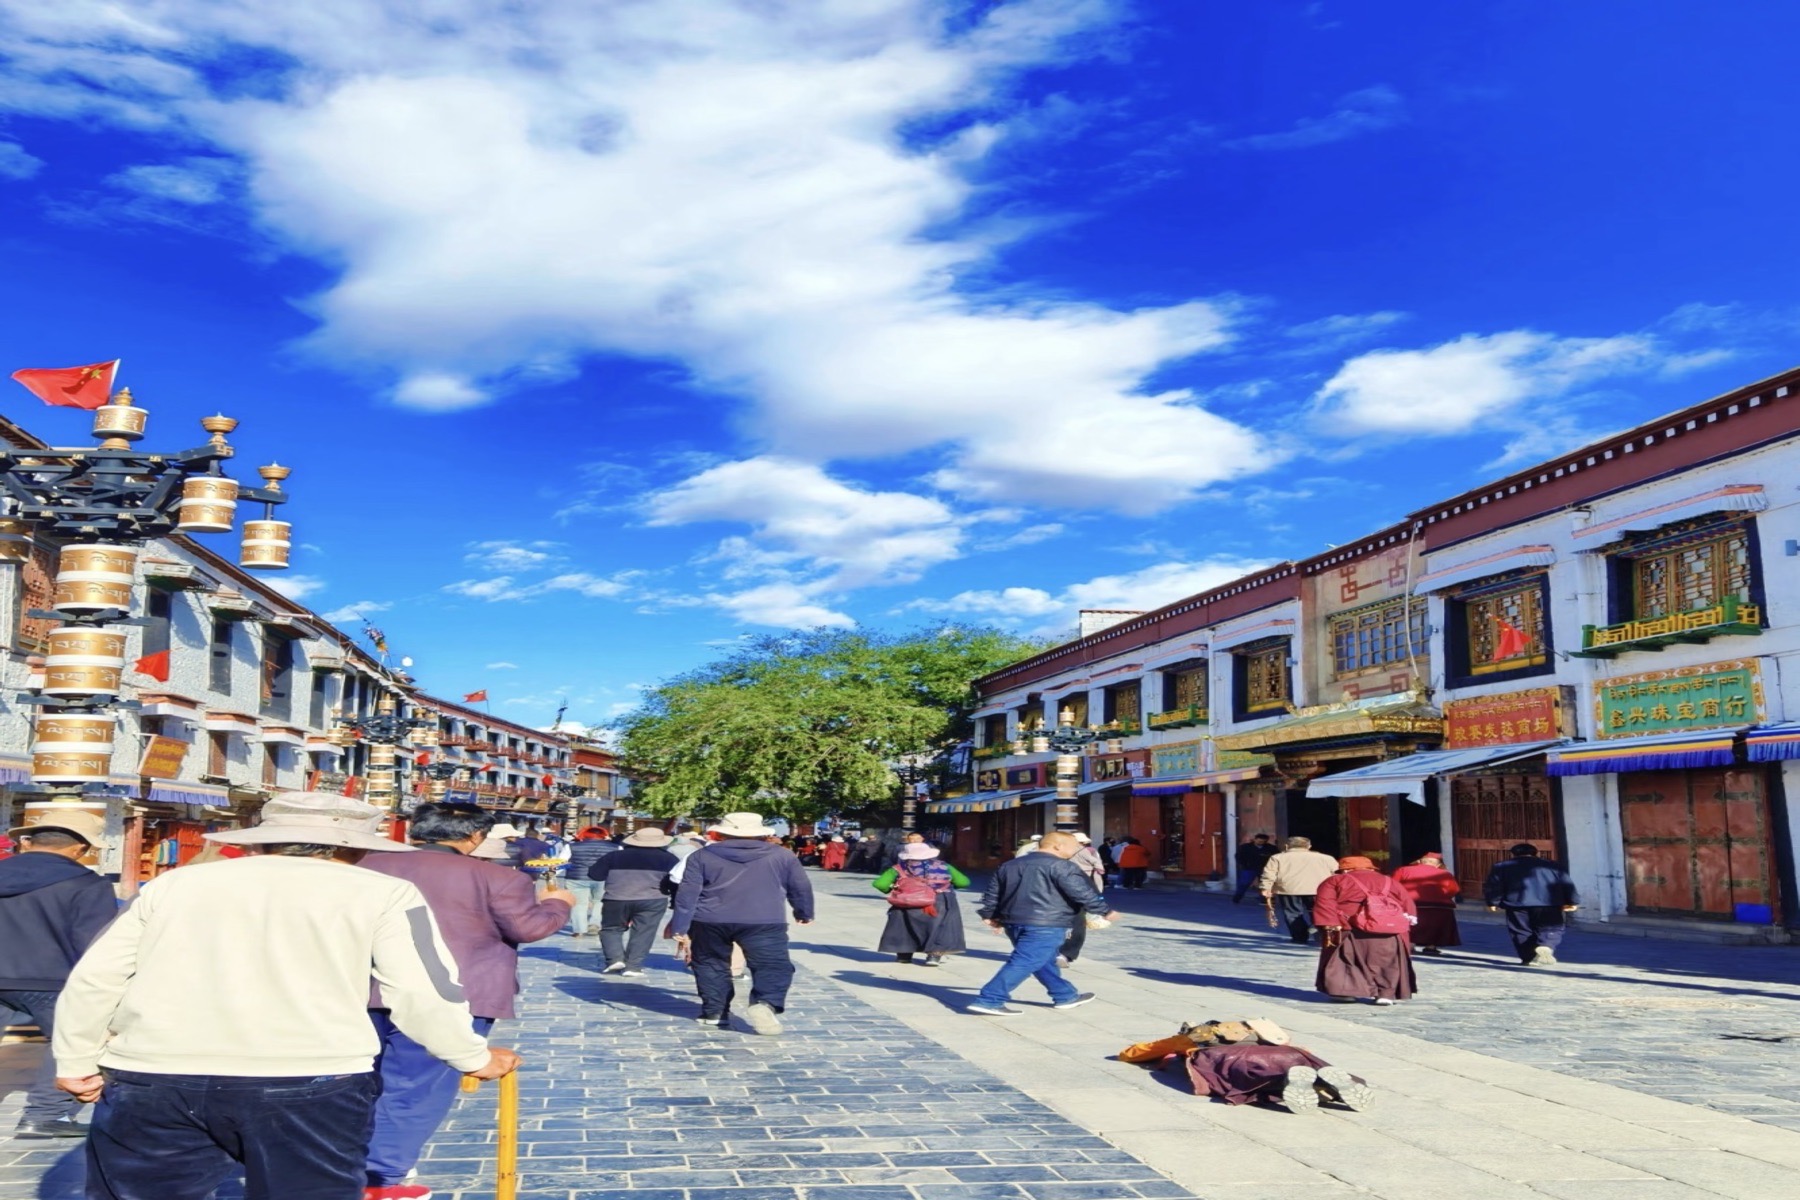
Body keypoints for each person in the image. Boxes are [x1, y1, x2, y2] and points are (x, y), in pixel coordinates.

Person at [51, 791, 519, 1200]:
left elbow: (97, 977)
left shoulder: (175, 884)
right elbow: (425, 988)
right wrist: (470, 1056)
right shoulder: (386, 893)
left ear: (263, 840)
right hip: (308, 1078)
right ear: (356, 848)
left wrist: (76, 1059)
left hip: (153, 1075)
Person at [358, 800, 571, 1199]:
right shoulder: (496, 877)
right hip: (454, 993)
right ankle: (381, 1178)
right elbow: (528, 928)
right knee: (416, 1087)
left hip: (363, 988)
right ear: (475, 837)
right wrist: (559, 903)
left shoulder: (366, 866)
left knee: (358, 1081)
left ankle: (354, 1163)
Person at [0, 810, 117, 1139]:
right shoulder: (87, 884)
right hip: (52, 980)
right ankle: (45, 1115)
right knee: (75, 1043)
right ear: (81, 848)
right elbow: (96, 943)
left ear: (28, 842)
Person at [668, 812, 814, 1035]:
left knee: (710, 964)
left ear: (722, 833)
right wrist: (804, 912)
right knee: (772, 965)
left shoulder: (701, 856)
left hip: (709, 919)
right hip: (764, 919)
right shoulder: (782, 856)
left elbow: (687, 894)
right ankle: (765, 1003)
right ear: (761, 833)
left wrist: (680, 925)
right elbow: (800, 886)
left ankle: (715, 1012)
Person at [969, 831, 1117, 1017]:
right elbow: (1081, 892)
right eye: (1074, 846)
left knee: (1043, 960)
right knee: (1025, 961)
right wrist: (1104, 910)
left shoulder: (1010, 865)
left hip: (1014, 921)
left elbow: (993, 893)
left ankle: (1065, 995)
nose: (1076, 850)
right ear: (1057, 846)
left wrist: (990, 914)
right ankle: (990, 999)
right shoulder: (1062, 866)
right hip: (1047, 923)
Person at [1312, 855, 1417, 1006]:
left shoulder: (1335, 880)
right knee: (1388, 962)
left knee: (1347, 959)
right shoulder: (1389, 881)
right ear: (1371, 868)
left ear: (1345, 869)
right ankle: (1386, 994)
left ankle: (1346, 992)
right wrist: (1404, 922)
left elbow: (1325, 902)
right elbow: (1406, 902)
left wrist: (1329, 923)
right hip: (1388, 928)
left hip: (1350, 926)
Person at [591, 827, 680, 976]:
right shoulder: (669, 859)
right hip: (653, 899)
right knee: (644, 932)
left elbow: (595, 874)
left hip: (616, 898)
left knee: (611, 929)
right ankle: (633, 966)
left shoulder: (614, 856)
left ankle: (614, 959)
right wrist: (675, 901)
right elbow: (676, 881)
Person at [872, 842, 969, 965]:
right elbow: (964, 882)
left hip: (907, 901)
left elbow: (880, 884)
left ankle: (904, 955)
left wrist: (892, 887)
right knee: (939, 927)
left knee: (904, 926)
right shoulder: (945, 866)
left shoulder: (899, 868)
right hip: (938, 901)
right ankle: (934, 956)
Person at [1484, 843, 1579, 965]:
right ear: (1536, 853)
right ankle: (1546, 945)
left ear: (1513, 854)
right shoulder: (1553, 865)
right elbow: (1567, 884)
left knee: (1521, 930)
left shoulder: (1501, 867)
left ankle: (1528, 958)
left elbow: (1494, 886)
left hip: (1517, 903)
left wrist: (1493, 902)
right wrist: (1572, 901)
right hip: (1549, 903)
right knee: (1551, 927)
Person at [1257, 836, 1340, 944]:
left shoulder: (1277, 858)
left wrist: (1266, 887)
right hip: (1319, 889)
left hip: (1288, 889)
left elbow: (1269, 874)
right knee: (1320, 912)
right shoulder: (1326, 858)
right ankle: (1319, 932)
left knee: (1292, 913)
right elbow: (1336, 874)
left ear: (1287, 846)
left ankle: (1299, 937)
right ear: (1309, 846)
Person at [1392, 851, 1461, 955]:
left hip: (1411, 904)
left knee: (1412, 925)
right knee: (1435, 925)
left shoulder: (1403, 870)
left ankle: (1410, 944)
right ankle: (1431, 946)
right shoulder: (1445, 874)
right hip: (1440, 906)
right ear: (1438, 865)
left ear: (1420, 861)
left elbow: (1394, 885)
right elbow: (1453, 890)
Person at [561, 825, 619, 937]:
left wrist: (552, 874)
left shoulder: (571, 846)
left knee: (578, 903)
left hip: (576, 878)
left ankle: (579, 930)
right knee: (600, 901)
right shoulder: (615, 847)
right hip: (604, 878)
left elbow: (561, 862)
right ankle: (595, 924)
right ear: (604, 835)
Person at [1061, 832, 1107, 965]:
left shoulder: (1064, 852)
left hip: (1066, 880)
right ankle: (1066, 953)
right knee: (1078, 919)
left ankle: (1060, 952)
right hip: (1084, 878)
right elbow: (1096, 862)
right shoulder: (1086, 850)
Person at [1232, 833, 1277, 904]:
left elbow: (1276, 857)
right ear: (1255, 839)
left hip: (1264, 868)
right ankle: (1237, 898)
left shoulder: (1271, 848)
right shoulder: (1245, 847)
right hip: (1249, 868)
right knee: (1244, 883)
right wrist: (1243, 865)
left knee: (1264, 884)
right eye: (1259, 841)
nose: (1261, 843)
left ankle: (1264, 899)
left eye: (1263, 841)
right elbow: (1238, 856)